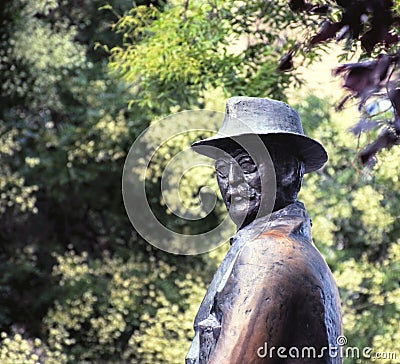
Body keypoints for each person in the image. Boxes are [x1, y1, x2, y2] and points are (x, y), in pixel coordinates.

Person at [186, 97, 342, 364]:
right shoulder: (293, 247)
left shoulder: (269, 254)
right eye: (223, 169)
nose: (231, 182)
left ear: (290, 171)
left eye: (246, 165)